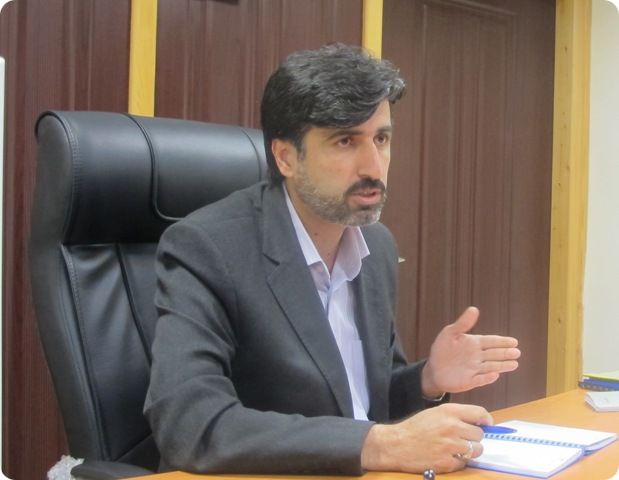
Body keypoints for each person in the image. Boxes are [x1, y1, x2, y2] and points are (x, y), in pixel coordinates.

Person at [144, 43, 521, 475]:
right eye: (345, 141)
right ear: (286, 157)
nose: (373, 166)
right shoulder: (207, 247)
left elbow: (361, 403)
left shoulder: (375, 247)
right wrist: (379, 445)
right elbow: (190, 425)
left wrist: (427, 379)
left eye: (381, 139)